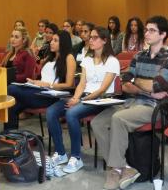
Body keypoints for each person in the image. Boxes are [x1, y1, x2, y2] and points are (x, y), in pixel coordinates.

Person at [91, 16, 168, 190]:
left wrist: (139, 83)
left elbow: (157, 85)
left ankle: (114, 170)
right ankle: (125, 168)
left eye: (152, 30)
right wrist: (143, 87)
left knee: (118, 118)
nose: (146, 33)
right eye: (146, 29)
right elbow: (125, 83)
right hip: (132, 101)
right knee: (97, 122)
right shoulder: (139, 56)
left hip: (154, 107)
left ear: (163, 34)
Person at [46, 27, 120, 173]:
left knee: (71, 114)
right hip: (83, 96)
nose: (90, 40)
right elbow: (81, 83)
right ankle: (61, 153)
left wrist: (81, 100)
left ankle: (76, 157)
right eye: (90, 37)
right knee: (51, 112)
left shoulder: (112, 61)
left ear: (104, 40)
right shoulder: (87, 59)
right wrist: (75, 97)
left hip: (100, 99)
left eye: (94, 37)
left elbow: (102, 89)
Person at [5, 31, 76, 131]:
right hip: (39, 90)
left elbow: (70, 84)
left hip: (51, 95)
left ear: (63, 43)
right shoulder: (50, 57)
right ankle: (10, 136)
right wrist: (33, 82)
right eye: (52, 40)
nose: (51, 43)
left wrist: (48, 85)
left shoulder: (69, 58)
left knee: (11, 88)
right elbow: (43, 77)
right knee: (11, 106)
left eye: (55, 41)